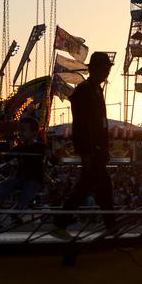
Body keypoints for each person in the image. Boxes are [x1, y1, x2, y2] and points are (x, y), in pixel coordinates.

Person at [52, 52, 115, 237]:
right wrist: (86, 152)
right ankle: (110, 226)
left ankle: (61, 223)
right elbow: (81, 125)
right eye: (104, 69)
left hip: (97, 150)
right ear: (93, 69)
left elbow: (99, 124)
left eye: (108, 69)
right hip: (92, 150)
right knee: (99, 188)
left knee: (91, 187)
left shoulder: (94, 90)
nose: (107, 73)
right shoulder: (85, 91)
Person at [0, 116, 47, 209]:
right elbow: (6, 157)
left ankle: (19, 209)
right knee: (5, 185)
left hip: (34, 180)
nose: (20, 133)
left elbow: (49, 155)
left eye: (23, 130)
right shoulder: (19, 147)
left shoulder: (40, 147)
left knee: (28, 191)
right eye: (19, 130)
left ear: (34, 132)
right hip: (20, 178)